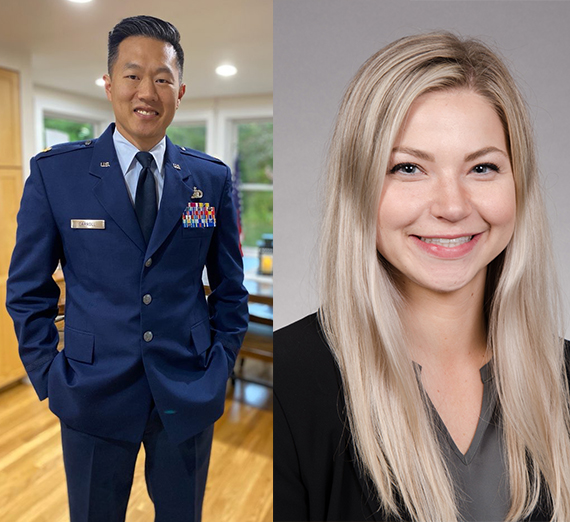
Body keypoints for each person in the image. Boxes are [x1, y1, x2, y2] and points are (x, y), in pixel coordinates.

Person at [274, 32, 570, 522]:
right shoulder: (288, 386)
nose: (452, 207)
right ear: (358, 187)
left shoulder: (564, 379)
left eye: (482, 167)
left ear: (519, 185)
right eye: (409, 168)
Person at [6, 15, 248, 522]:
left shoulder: (211, 178)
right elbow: (27, 290)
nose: (147, 91)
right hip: (91, 392)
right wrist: (50, 377)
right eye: (133, 74)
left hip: (187, 389)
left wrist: (221, 364)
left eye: (162, 78)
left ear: (180, 91)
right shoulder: (58, 174)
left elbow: (230, 287)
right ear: (110, 82)